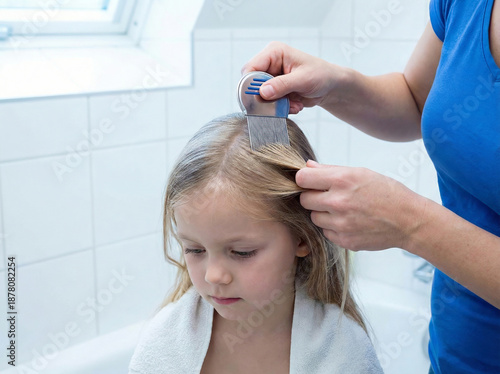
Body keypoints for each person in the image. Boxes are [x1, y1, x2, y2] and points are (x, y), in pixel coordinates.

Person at [241, 0, 500, 373]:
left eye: (242, 251)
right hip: (455, 354)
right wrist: (335, 85)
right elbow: (415, 99)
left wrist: (410, 223)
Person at [127, 114, 383, 374]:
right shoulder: (165, 342)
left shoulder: (342, 352)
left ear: (303, 237)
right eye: (195, 250)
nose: (213, 275)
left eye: (241, 252)